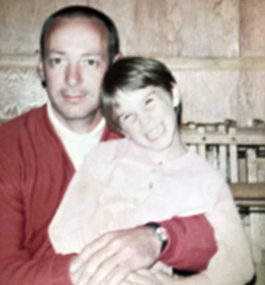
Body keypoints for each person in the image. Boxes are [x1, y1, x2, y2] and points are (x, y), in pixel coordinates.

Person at [0, 5, 223, 285]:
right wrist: (89, 270)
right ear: (40, 65)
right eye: (58, 60)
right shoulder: (7, 148)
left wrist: (156, 238)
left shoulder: (146, 135)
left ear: (114, 66)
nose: (73, 79)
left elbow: (214, 237)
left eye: (90, 62)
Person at [49, 57, 254, 285]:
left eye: (148, 102)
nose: (145, 121)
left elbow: (240, 265)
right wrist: (112, 271)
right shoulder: (104, 157)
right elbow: (62, 232)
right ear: (121, 128)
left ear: (173, 94)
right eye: (128, 116)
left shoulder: (206, 180)